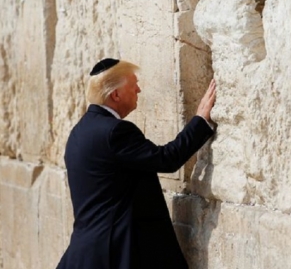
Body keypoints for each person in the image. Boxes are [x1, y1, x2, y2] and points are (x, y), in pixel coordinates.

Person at [55, 58, 216, 269]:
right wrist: (201, 120)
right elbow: (166, 159)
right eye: (133, 84)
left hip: (87, 251)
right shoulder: (116, 131)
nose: (138, 90)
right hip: (117, 252)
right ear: (116, 94)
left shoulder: (79, 132)